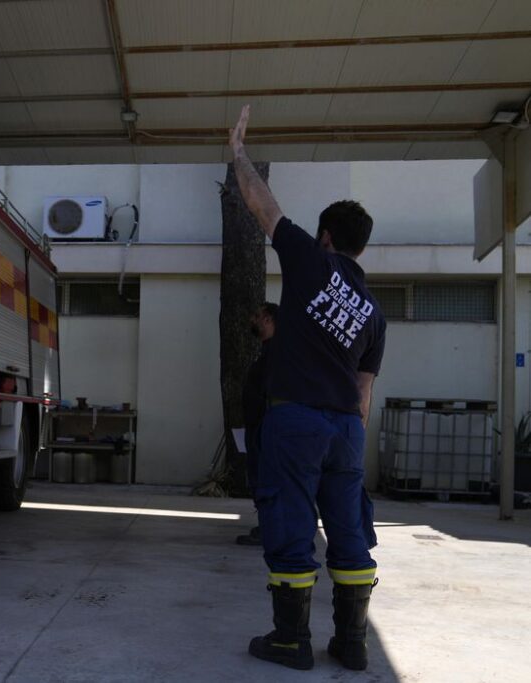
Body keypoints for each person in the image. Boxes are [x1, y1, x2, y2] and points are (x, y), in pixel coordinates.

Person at [228, 105, 386, 672]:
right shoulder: (372, 310)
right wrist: (348, 447)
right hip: (346, 427)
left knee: (291, 522)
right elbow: (364, 393)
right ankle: (352, 643)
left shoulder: (310, 263)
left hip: (296, 420)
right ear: (359, 247)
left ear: (324, 237)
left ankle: (291, 640)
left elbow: (261, 206)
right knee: (348, 532)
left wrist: (239, 154)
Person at [236, 302, 277, 547]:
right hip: (258, 426)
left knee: (264, 478)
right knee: (259, 478)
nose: (253, 320)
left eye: (257, 316)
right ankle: (267, 525)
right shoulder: (268, 351)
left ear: (269, 320)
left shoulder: (276, 353)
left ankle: (269, 528)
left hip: (265, 428)